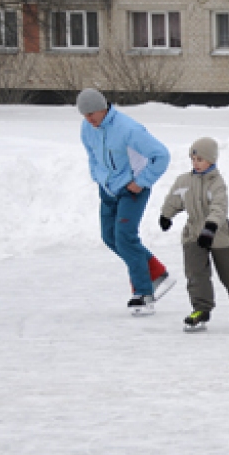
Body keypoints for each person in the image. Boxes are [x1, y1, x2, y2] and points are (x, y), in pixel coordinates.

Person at [158, 137, 229, 331]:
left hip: (218, 233)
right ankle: (201, 310)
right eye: (193, 159)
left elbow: (219, 207)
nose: (196, 163)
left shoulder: (217, 183)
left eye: (200, 159)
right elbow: (174, 199)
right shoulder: (184, 181)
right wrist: (166, 215)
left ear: (211, 160)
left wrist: (210, 228)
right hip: (193, 234)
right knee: (196, 274)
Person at [78, 88, 175, 315]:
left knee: (125, 237)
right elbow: (92, 156)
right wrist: (98, 177)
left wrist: (141, 182)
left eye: (91, 113)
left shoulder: (128, 129)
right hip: (108, 189)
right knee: (110, 237)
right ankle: (157, 272)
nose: (88, 119)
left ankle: (144, 293)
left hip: (132, 189)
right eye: (84, 115)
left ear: (103, 108)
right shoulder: (87, 128)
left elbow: (161, 155)